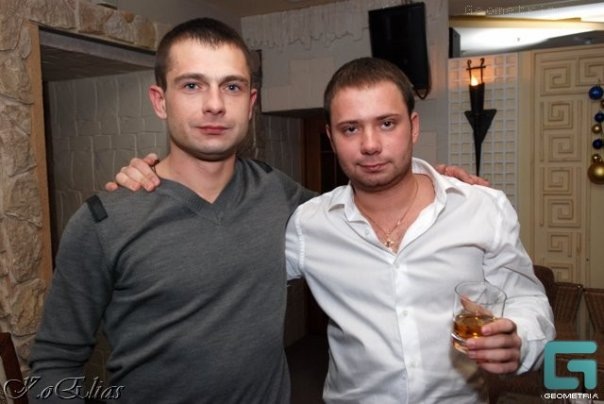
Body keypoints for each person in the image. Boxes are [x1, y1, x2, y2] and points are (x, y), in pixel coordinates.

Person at [113, 58, 555, 403]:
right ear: (330, 137)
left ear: (413, 127)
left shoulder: (481, 207)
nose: (370, 145)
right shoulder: (309, 225)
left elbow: (528, 299)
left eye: (387, 123)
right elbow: (225, 264)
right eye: (350, 129)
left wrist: (519, 337)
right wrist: (158, 183)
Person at [28, 17, 314, 404]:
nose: (215, 105)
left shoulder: (276, 191)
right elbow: (54, 362)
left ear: (250, 104)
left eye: (231, 87)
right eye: (192, 85)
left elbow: (361, 213)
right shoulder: (104, 221)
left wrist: (406, 168)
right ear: (160, 101)